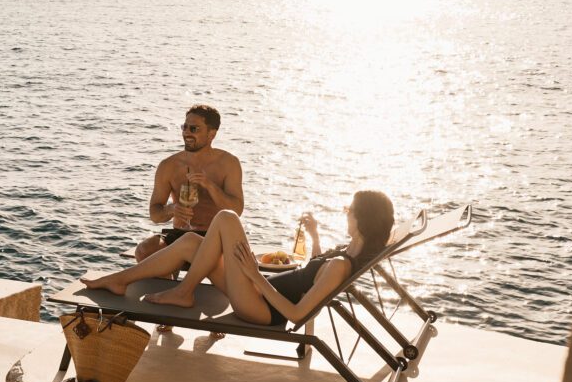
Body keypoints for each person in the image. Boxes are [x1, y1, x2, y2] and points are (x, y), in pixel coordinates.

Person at [86, 190, 396, 326]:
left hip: (261, 307)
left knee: (226, 218)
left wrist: (254, 274)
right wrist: (315, 236)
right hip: (259, 291)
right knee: (193, 242)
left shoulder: (342, 265)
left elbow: (297, 315)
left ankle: (183, 291)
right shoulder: (345, 255)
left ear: (364, 219)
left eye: (350, 210)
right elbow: (315, 275)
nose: (346, 213)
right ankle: (119, 279)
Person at [134, 104, 245, 264]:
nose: (186, 132)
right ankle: (165, 285)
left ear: (211, 134)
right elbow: (155, 214)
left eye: (194, 129)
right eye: (184, 127)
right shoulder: (169, 165)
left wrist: (210, 185)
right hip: (181, 234)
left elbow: (237, 210)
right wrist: (172, 209)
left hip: (217, 237)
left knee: (234, 262)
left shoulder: (229, 163)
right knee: (145, 251)